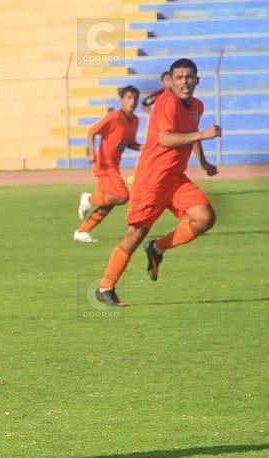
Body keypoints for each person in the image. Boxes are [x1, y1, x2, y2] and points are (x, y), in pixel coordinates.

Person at [95, 59, 221, 307]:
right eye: (179, 77)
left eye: (189, 77)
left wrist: (204, 162)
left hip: (174, 179)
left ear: (197, 80)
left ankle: (157, 248)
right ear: (171, 81)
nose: (184, 81)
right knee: (135, 234)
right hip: (152, 179)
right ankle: (105, 287)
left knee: (205, 218)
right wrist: (202, 134)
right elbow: (165, 138)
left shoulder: (197, 105)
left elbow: (189, 136)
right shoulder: (166, 102)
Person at [74, 86, 141, 243]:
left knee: (108, 203)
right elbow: (92, 131)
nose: (132, 102)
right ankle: (88, 200)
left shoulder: (134, 121)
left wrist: (144, 148)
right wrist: (91, 152)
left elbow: (129, 142)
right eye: (129, 98)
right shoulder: (114, 117)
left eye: (135, 98)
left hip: (114, 165)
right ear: (121, 100)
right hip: (104, 165)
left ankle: (82, 232)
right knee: (123, 196)